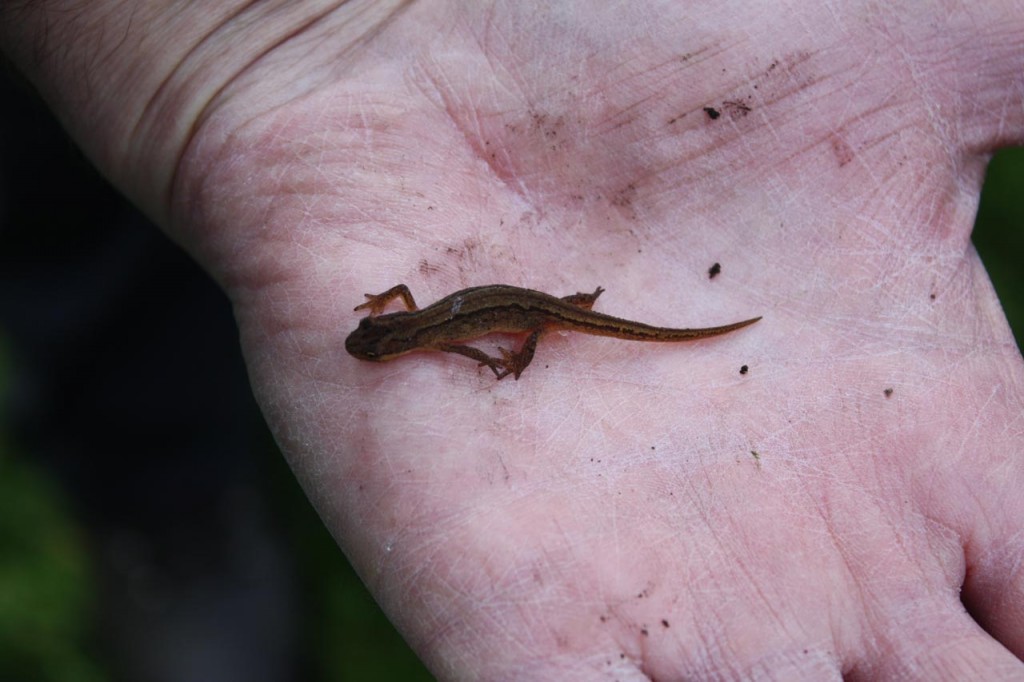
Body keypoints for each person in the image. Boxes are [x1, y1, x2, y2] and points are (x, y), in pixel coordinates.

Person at [2, 2, 1022, 678]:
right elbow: (416, 302)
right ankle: (159, 493)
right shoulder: (407, 328)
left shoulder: (430, 337)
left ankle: (158, 492)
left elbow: (476, 322)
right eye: (378, 337)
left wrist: (512, 357)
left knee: (563, 319)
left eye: (379, 337)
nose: (378, 339)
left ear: (390, 338)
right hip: (518, 293)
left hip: (536, 303)